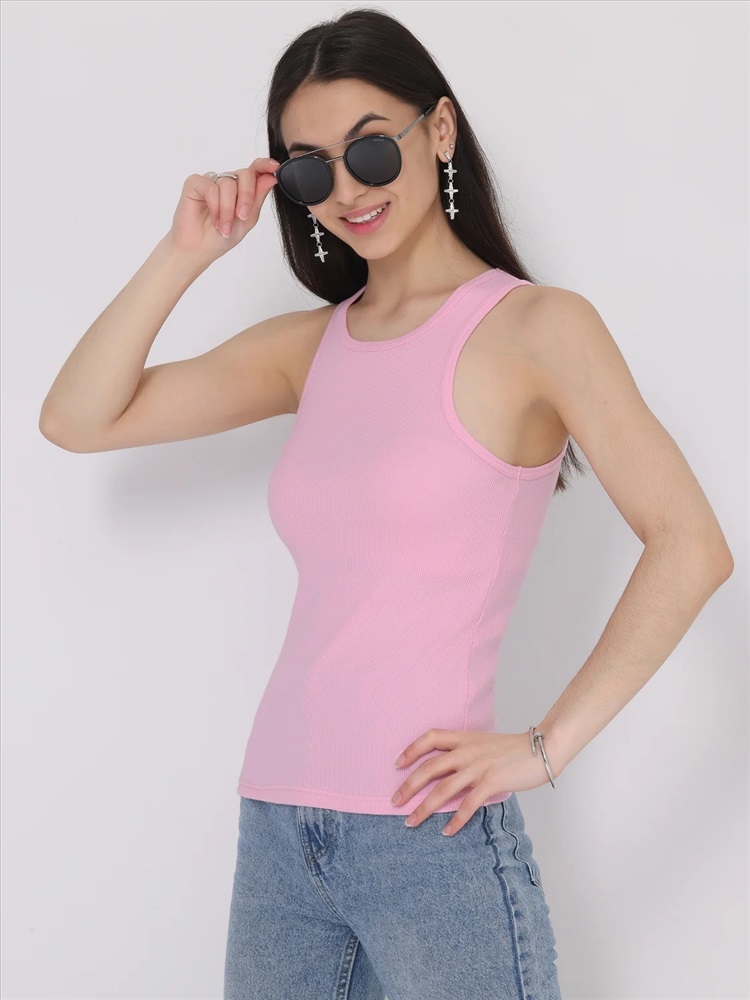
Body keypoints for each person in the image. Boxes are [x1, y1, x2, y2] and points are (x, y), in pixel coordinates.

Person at [38, 8, 734, 999]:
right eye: (311, 169)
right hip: (278, 826)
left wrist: (546, 748)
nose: (349, 189)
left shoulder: (538, 328)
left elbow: (691, 544)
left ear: (438, 129)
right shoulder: (308, 347)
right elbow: (76, 418)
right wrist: (185, 252)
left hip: (429, 835)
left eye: (371, 148)